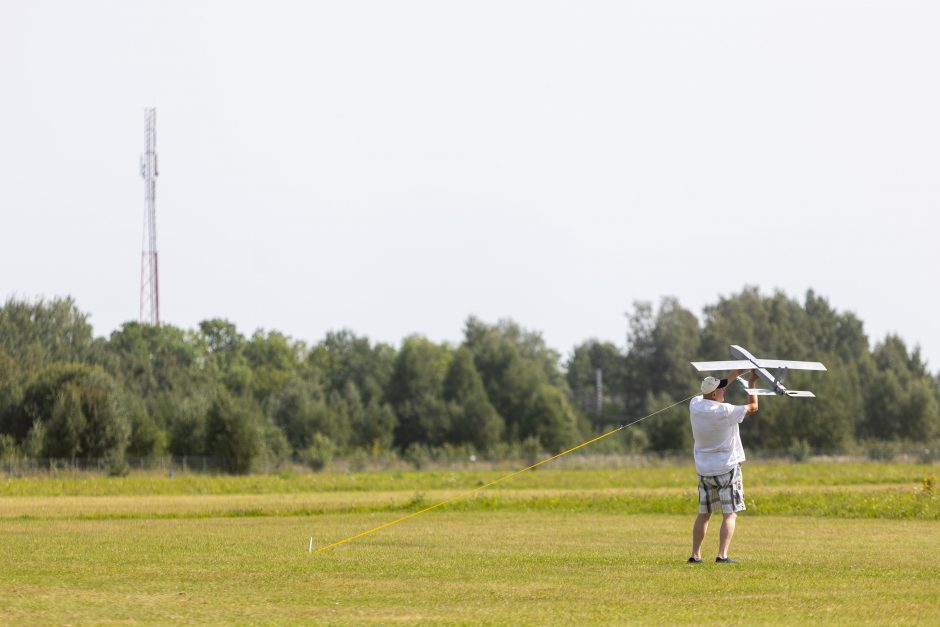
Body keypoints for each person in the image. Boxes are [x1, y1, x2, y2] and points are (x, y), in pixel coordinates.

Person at [687, 369, 759, 564]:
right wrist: (752, 383)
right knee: (730, 514)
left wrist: (736, 373)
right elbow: (753, 406)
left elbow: (719, 386)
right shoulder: (725, 411)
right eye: (720, 389)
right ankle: (722, 555)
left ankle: (695, 555)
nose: (723, 391)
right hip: (727, 468)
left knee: (704, 514)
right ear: (714, 394)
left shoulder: (694, 405)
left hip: (704, 470)